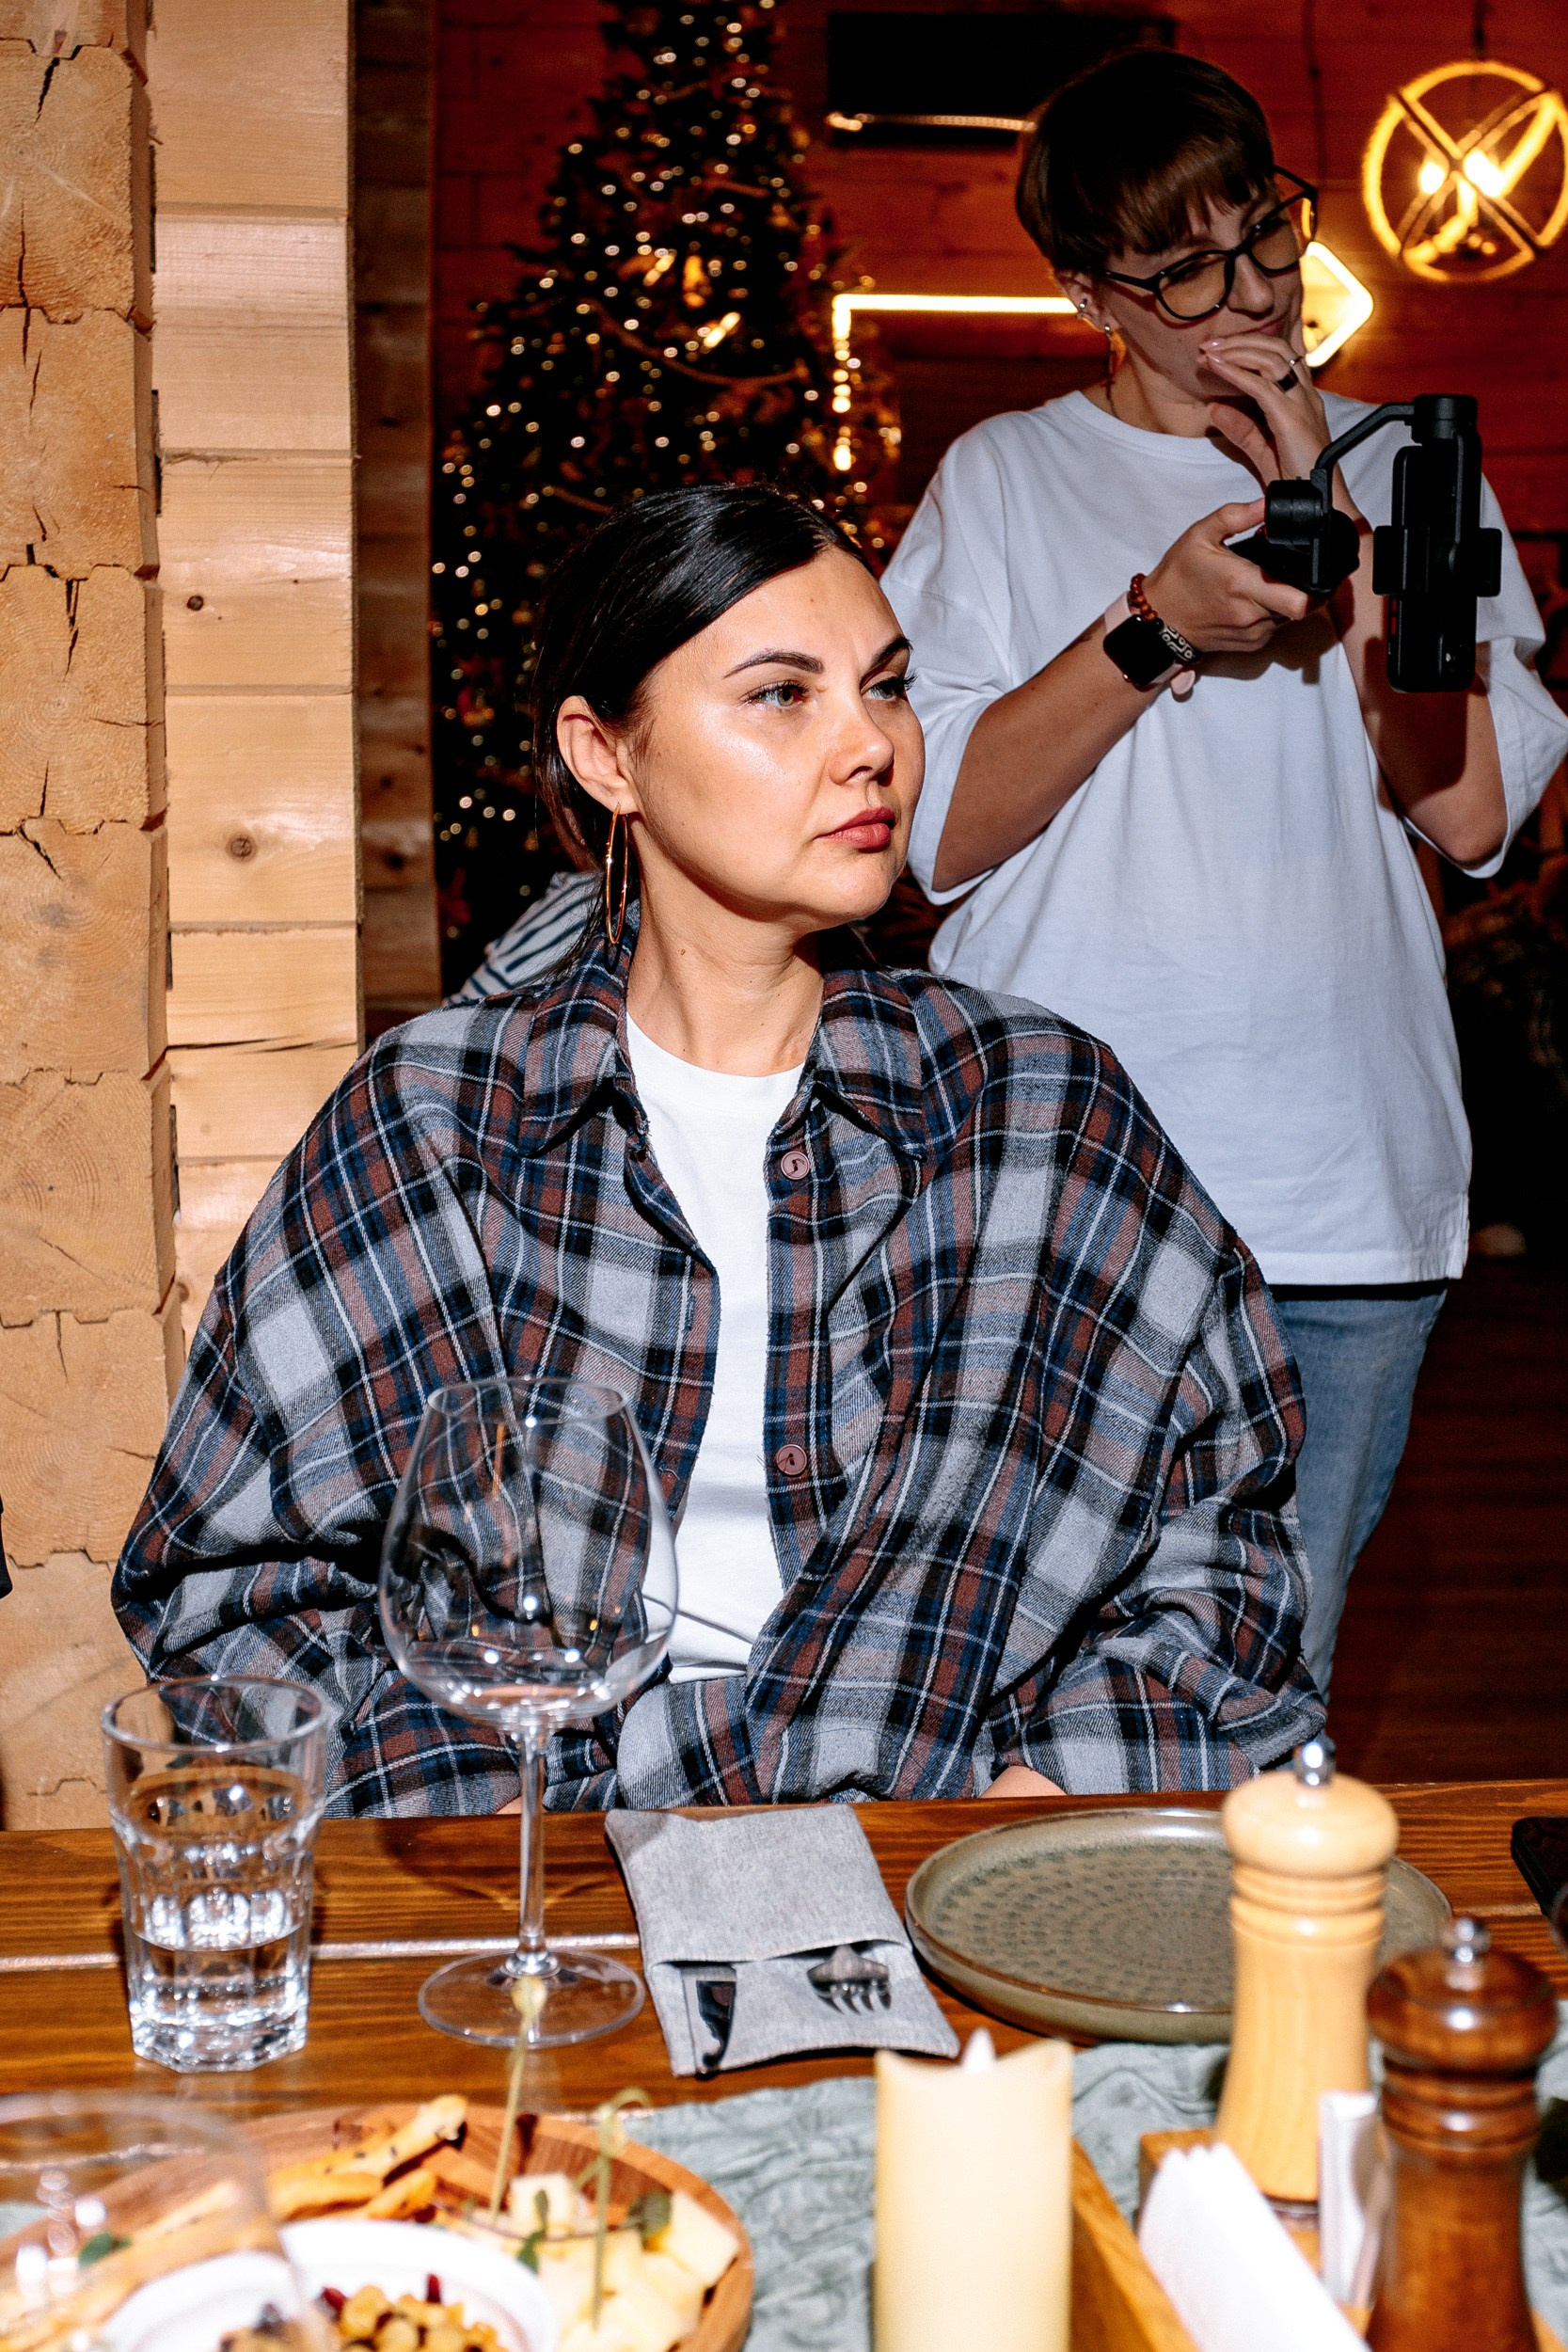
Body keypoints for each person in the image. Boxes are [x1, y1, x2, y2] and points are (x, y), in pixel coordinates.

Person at [116, 485, 1321, 1814]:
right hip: (549, 1856)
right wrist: (494, 1833)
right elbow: (240, 1588)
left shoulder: (1038, 1108)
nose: (871, 745)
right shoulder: (436, 1122)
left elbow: (1222, 1555)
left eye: (887, 686)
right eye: (782, 695)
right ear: (606, 756)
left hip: (947, 1841)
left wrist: (1033, 1802)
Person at [873, 50, 1568, 1697]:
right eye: (1184, 271)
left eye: (1262, 235)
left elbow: (1469, 813)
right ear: (1088, 297)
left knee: (1261, 1700)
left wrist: (1334, 509)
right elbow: (936, 831)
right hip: (1060, 1200)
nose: (1251, 292)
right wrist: (1153, 629)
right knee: (1021, 1684)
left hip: (1337, 1189)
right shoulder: (1004, 477)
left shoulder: (1412, 469)